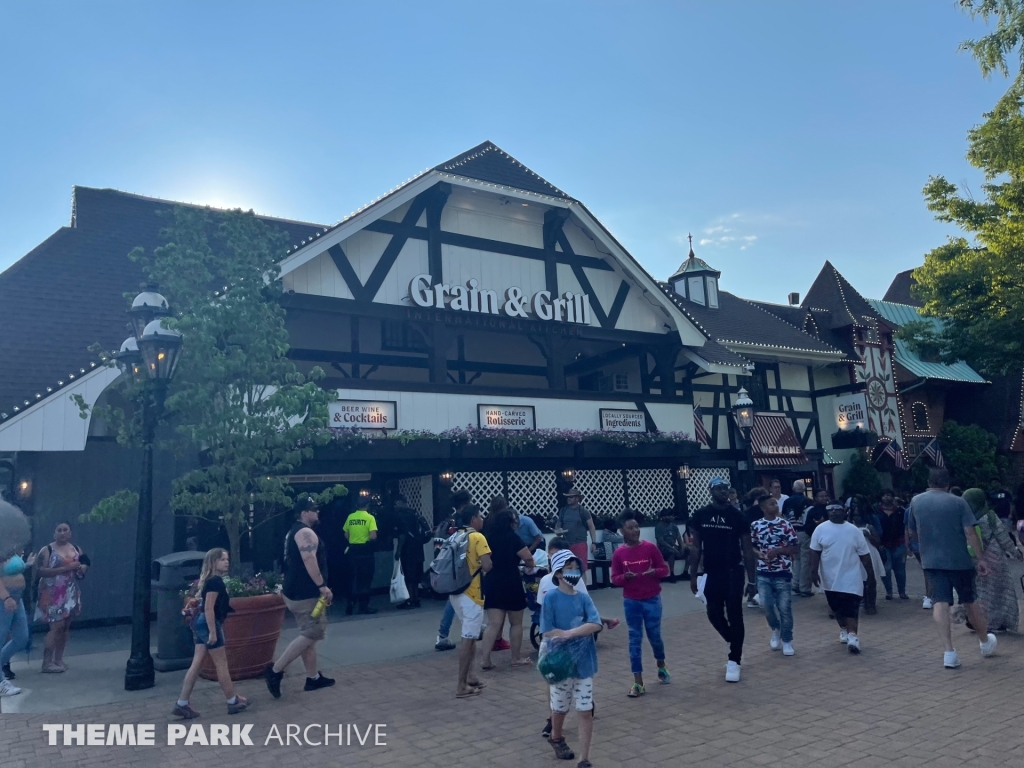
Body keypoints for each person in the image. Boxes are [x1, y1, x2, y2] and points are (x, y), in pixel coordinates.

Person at [907, 468, 997, 669]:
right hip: (959, 561)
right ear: (947, 483)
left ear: (929, 482)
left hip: (931, 560)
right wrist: (980, 558)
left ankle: (949, 651)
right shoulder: (958, 502)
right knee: (969, 601)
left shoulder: (916, 502)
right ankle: (984, 641)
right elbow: (970, 532)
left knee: (940, 602)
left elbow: (912, 531)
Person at [688, 477, 756, 682]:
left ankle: (734, 659)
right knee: (714, 614)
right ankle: (734, 642)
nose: (723, 491)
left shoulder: (737, 516)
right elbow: (696, 546)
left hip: (733, 571)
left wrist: (752, 580)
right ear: (710, 491)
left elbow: (747, 548)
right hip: (711, 572)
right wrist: (693, 575)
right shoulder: (701, 515)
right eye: (719, 488)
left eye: (726, 488)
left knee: (735, 613)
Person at [265, 497, 335, 699]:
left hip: (293, 591)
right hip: (306, 593)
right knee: (312, 633)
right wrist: (322, 586)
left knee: (308, 636)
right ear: (304, 513)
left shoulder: (292, 532)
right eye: (314, 509)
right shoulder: (305, 532)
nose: (317, 512)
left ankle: (313, 678)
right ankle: (275, 670)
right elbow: (308, 559)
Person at [540, 550, 601, 767]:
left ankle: (585, 758)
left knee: (585, 710)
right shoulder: (550, 598)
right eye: (569, 569)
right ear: (557, 573)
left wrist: (571, 633)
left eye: (576, 568)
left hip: (584, 663)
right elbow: (546, 630)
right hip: (561, 664)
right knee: (560, 708)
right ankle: (556, 737)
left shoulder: (584, 598)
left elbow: (596, 623)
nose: (574, 573)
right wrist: (570, 633)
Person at [173, 548, 248, 718]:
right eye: (222, 559)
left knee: (197, 663)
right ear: (213, 562)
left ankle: (182, 703)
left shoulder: (209, 581)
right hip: (208, 624)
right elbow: (209, 608)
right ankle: (232, 701)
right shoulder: (215, 582)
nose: (226, 562)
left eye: (227, 559)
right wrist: (213, 633)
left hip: (200, 623)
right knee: (221, 663)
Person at [612, 510, 670, 697]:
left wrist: (655, 572)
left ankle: (661, 664)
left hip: (652, 599)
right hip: (632, 602)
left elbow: (664, 569)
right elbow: (614, 578)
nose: (635, 530)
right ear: (622, 531)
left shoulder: (650, 548)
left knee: (655, 637)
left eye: (636, 527)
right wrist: (624, 577)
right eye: (630, 528)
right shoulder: (619, 554)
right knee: (634, 640)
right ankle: (638, 682)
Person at [808, 503, 874, 654]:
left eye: (837, 509)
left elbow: (864, 554)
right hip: (830, 577)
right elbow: (814, 551)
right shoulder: (820, 529)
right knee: (836, 607)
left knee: (851, 606)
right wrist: (813, 571)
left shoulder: (853, 531)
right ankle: (844, 628)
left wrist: (870, 574)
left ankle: (853, 637)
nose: (833, 513)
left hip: (851, 575)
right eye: (830, 510)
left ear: (845, 511)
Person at [480, 502, 536, 670]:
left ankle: (485, 660)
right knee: (516, 623)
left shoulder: (488, 537)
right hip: (511, 580)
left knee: (493, 624)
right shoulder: (513, 538)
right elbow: (527, 557)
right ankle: (515, 657)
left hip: (492, 580)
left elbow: (485, 562)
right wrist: (530, 563)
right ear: (510, 523)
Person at [963, 488, 1023, 632]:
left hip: (976, 559)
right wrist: (1016, 553)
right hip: (995, 558)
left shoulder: (966, 517)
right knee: (1000, 592)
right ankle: (997, 622)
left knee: (980, 591)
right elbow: (1003, 538)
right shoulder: (989, 516)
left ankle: (976, 620)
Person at [749, 490, 799, 656]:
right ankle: (775, 628)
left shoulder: (785, 525)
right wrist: (759, 554)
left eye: (775, 503)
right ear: (763, 508)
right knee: (767, 605)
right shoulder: (756, 525)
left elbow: (794, 547)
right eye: (771, 504)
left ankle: (787, 640)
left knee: (784, 607)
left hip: (782, 571)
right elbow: (752, 546)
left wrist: (778, 551)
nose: (775, 506)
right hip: (763, 572)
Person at [450, 504, 492, 698]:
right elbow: (487, 565)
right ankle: (461, 685)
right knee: (468, 639)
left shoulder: (455, 536)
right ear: (474, 519)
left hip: (455, 593)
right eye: (480, 516)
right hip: (472, 594)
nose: (482, 519)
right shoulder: (477, 537)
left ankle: (470, 677)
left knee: (471, 636)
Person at [34, 522, 88, 672]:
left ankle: (58, 659)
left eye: (65, 530)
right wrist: (66, 568)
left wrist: (83, 569)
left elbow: (83, 566)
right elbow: (40, 571)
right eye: (59, 530)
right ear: (54, 533)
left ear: (70, 533)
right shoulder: (47, 550)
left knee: (65, 627)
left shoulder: (76, 549)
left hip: (70, 592)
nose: (62, 533)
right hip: (51, 593)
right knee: (56, 627)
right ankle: (47, 662)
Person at [435, 489, 472, 651]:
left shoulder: (448, 521)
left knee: (458, 596)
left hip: (448, 564)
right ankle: (443, 634)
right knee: (456, 596)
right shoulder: (462, 521)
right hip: (461, 564)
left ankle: (468, 626)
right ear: (465, 503)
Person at [0, 549, 34, 695]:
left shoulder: (11, 549)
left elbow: (10, 570)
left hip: (17, 598)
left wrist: (27, 565)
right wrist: (6, 598)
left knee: (21, 637)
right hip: (5, 598)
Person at [848, 498, 884, 616]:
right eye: (854, 515)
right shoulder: (849, 527)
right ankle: (862, 601)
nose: (856, 517)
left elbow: (878, 542)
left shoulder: (869, 526)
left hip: (870, 553)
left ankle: (871, 604)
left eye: (859, 515)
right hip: (854, 555)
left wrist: (868, 536)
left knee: (870, 579)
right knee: (859, 580)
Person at [395, 496, 431, 610]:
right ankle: (415, 599)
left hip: (408, 550)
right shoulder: (415, 514)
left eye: (396, 503)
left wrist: (398, 550)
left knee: (408, 576)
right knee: (416, 576)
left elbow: (403, 535)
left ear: (402, 503)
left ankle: (410, 599)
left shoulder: (402, 516)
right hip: (419, 549)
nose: (395, 506)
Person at [343, 501, 378, 615]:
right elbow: (373, 536)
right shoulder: (370, 518)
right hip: (365, 552)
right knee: (366, 580)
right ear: (367, 506)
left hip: (353, 551)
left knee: (353, 579)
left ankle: (350, 604)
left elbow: (346, 534)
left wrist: (353, 540)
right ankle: (363, 607)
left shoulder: (350, 517)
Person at [875, 489, 909, 601]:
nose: (887, 497)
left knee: (900, 570)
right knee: (886, 569)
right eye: (884, 495)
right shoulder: (877, 511)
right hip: (883, 545)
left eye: (889, 495)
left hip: (899, 543)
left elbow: (905, 528)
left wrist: (907, 544)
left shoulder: (900, 511)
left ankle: (902, 592)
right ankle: (889, 592)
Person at [556, 487, 598, 574]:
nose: (568, 499)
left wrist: (594, 543)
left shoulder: (583, 511)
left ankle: (583, 587)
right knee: (567, 568)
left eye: (571, 497)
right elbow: (558, 524)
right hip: (566, 544)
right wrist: (558, 530)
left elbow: (591, 527)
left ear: (577, 498)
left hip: (580, 543)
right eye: (568, 497)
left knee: (581, 568)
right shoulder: (563, 510)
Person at [796, 489, 830, 597]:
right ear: (816, 498)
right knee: (808, 562)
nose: (824, 498)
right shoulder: (812, 510)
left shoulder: (830, 509)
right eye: (821, 496)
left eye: (825, 496)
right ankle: (806, 587)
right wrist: (816, 525)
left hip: (828, 540)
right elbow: (806, 526)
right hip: (813, 539)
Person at [782, 480, 809, 591]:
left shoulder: (787, 501)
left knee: (795, 560)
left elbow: (784, 516)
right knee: (805, 560)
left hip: (791, 532)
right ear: (803, 489)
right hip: (804, 531)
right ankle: (804, 587)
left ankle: (795, 584)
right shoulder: (808, 501)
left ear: (793, 489)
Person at [654, 509, 685, 582]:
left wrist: (682, 548)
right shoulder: (659, 527)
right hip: (663, 549)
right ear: (663, 517)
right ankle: (672, 574)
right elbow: (661, 541)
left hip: (674, 546)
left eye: (671, 515)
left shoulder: (674, 526)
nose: (671, 517)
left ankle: (685, 572)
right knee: (671, 552)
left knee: (689, 550)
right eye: (668, 515)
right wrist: (673, 549)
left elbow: (679, 538)